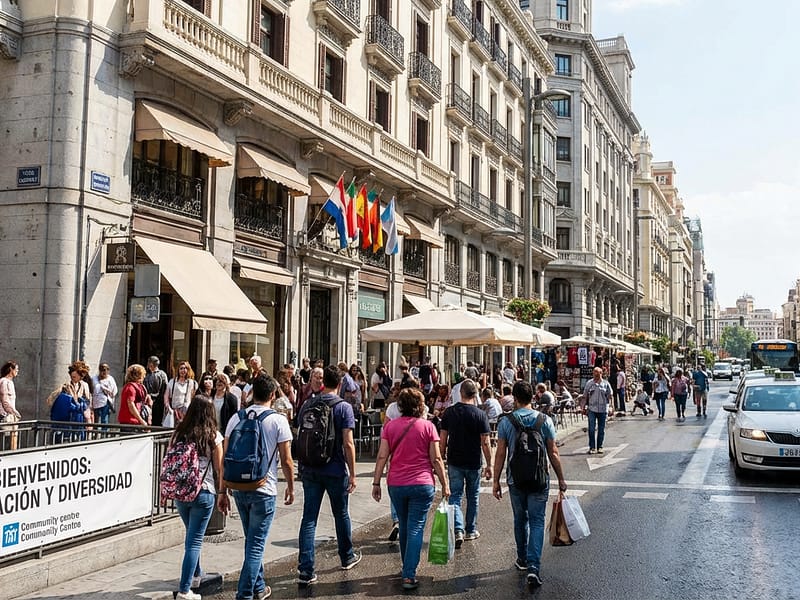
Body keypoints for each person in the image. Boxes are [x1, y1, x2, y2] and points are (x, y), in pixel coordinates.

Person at [218, 374, 294, 600]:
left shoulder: (236, 418)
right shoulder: (278, 420)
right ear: (272, 395)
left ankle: (259, 587)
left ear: (252, 394)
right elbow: (287, 459)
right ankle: (245, 594)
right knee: (256, 545)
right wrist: (290, 486)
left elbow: (225, 457)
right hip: (264, 487)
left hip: (239, 487)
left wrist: (222, 491)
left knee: (251, 541)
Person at [371, 387, 450, 591]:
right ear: (421, 406)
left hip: (396, 483)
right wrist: (445, 483)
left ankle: (406, 566)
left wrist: (376, 482)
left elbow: (382, 456)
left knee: (405, 525)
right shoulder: (428, 427)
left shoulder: (390, 427)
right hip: (422, 483)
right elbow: (436, 458)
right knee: (415, 527)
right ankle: (409, 574)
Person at [492, 381, 568, 587]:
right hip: (539, 478)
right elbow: (553, 452)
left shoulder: (506, 422)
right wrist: (561, 478)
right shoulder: (545, 420)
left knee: (520, 519)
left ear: (515, 399)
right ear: (533, 397)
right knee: (536, 521)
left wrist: (496, 481)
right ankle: (534, 567)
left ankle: (522, 559)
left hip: (515, 480)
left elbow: (500, 453)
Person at [296, 365, 361, 585]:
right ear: (340, 384)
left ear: (324, 383)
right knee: (341, 514)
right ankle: (347, 556)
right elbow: (348, 443)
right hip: (334, 470)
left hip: (311, 468)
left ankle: (306, 569)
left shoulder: (308, 404)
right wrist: (353, 474)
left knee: (308, 519)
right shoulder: (343, 408)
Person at [171, 397, 223, 600]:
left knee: (192, 537)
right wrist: (223, 493)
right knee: (194, 541)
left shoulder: (178, 433)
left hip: (181, 492)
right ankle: (185, 590)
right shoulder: (213, 436)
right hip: (204, 491)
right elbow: (219, 469)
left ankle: (196, 574)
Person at [440, 380, 492, 548]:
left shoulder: (449, 413)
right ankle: (470, 530)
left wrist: (440, 458)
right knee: (473, 496)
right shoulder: (480, 414)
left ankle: (458, 529)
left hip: (454, 460)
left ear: (460, 393)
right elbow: (485, 442)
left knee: (455, 496)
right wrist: (489, 464)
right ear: (475, 394)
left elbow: (442, 440)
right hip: (473, 461)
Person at [582, 367, 612, 454]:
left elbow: (610, 396)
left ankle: (600, 446)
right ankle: (592, 447)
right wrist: (582, 407)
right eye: (594, 373)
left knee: (601, 429)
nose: (595, 375)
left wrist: (611, 407)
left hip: (602, 409)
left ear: (601, 373)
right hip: (592, 409)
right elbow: (585, 396)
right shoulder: (589, 383)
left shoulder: (606, 384)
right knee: (591, 429)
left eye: (597, 373)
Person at [164, 361, 198, 426]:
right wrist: (168, 407)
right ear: (178, 370)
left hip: (187, 412)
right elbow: (166, 396)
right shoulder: (172, 382)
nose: (183, 370)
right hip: (174, 411)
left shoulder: (193, 383)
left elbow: (194, 397)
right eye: (181, 368)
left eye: (185, 368)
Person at [0, 361, 22, 450]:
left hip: (10, 417)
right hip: (5, 417)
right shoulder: (4, 382)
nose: (18, 371)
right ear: (10, 369)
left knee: (11, 444)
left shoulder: (9, 382)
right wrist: (15, 413)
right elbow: (5, 400)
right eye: (16, 369)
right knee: (6, 444)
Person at [144, 356, 168, 428]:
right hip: (147, 401)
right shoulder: (145, 374)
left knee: (157, 421)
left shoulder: (162, 374)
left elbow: (165, 388)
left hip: (158, 402)